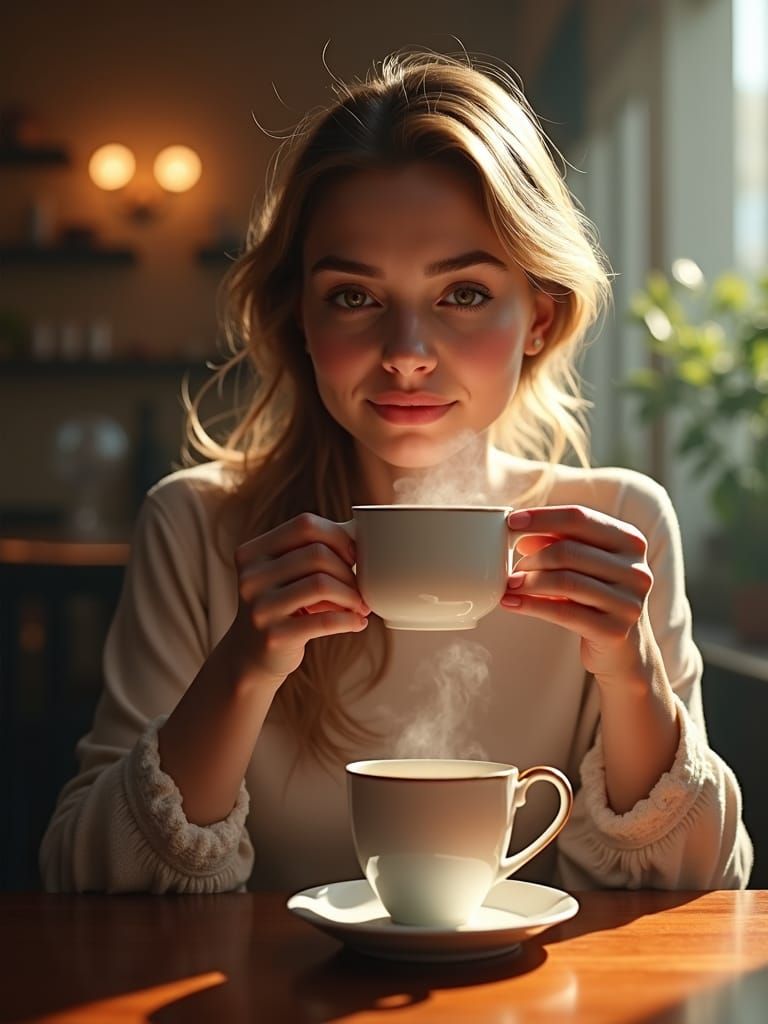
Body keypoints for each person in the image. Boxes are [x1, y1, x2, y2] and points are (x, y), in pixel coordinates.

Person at [40, 49, 752, 894]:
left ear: (540, 317)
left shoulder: (618, 522)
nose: (407, 357)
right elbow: (84, 881)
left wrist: (629, 673)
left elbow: (700, 889)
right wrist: (244, 666)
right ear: (298, 316)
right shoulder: (198, 527)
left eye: (462, 295)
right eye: (354, 297)